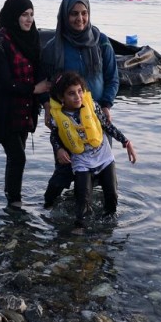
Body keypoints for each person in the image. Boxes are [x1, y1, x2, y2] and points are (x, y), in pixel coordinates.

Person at [40, 0, 120, 206]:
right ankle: (48, 208)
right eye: (74, 14)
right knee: (64, 170)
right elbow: (44, 82)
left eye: (84, 13)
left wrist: (106, 105)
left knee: (101, 174)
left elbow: (113, 77)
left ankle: (90, 215)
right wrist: (46, 106)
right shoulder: (52, 48)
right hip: (66, 121)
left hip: (95, 119)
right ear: (65, 16)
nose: (80, 18)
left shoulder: (102, 42)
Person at [0, 0, 50, 209]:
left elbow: (39, 71)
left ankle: (11, 197)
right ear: (13, 16)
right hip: (4, 111)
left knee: (15, 157)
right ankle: (15, 204)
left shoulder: (32, 38)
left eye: (31, 14)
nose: (29, 19)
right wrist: (34, 89)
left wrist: (45, 100)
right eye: (24, 15)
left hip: (25, 110)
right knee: (18, 157)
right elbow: (3, 82)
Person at [47, 71, 136, 228]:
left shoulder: (92, 106)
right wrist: (59, 149)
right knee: (83, 200)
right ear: (61, 97)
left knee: (111, 195)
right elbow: (54, 136)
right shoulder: (57, 117)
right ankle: (79, 229)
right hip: (81, 160)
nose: (78, 97)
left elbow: (107, 126)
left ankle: (109, 228)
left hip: (104, 156)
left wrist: (126, 142)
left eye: (80, 91)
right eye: (71, 93)